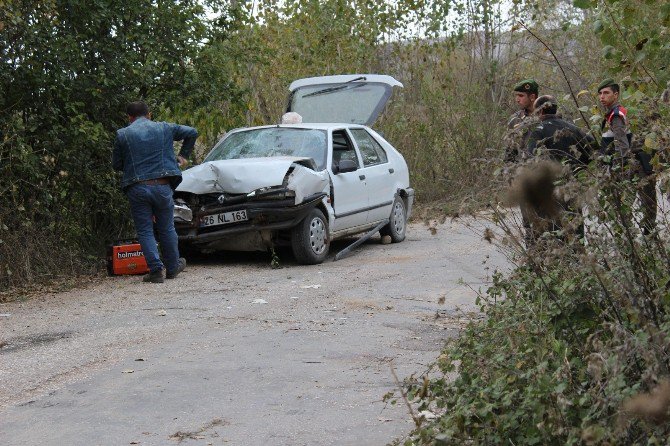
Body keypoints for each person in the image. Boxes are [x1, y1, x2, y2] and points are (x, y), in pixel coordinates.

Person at [112, 101, 198, 283]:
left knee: (145, 230)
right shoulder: (164, 128)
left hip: (138, 188)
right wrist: (183, 156)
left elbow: (117, 165)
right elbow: (192, 132)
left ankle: (156, 270)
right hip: (162, 186)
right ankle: (173, 267)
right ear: (149, 114)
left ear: (129, 118)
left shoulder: (123, 134)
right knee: (167, 227)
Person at [523, 95, 596, 241]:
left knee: (554, 236)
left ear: (540, 112)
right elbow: (593, 150)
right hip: (572, 187)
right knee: (576, 233)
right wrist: (578, 168)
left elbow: (531, 160)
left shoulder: (537, 131)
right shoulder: (573, 128)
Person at [598, 78, 656, 234]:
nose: (602, 96)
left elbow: (622, 146)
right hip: (633, 164)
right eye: (600, 93)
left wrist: (620, 170)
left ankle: (635, 236)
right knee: (644, 203)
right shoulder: (612, 114)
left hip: (629, 165)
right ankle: (646, 234)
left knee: (627, 205)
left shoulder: (616, 115)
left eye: (606, 93)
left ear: (615, 95)